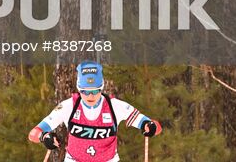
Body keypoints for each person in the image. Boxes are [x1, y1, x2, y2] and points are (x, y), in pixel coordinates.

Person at [27, 62, 162, 160]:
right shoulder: (69, 106)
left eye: (95, 91)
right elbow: (33, 133)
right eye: (85, 92)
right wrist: (44, 137)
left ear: (102, 87)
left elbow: (154, 126)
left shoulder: (114, 106)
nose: (90, 96)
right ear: (79, 89)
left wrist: (150, 126)